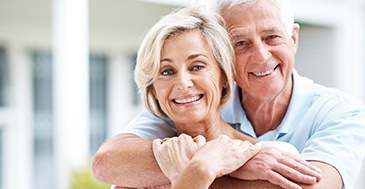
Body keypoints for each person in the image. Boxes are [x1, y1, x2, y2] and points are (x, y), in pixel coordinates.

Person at [93, 0, 365, 189]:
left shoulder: (339, 112)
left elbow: (308, 186)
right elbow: (109, 163)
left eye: (272, 37)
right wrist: (225, 163)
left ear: (293, 39)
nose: (261, 56)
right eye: (241, 43)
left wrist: (198, 172)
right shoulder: (187, 108)